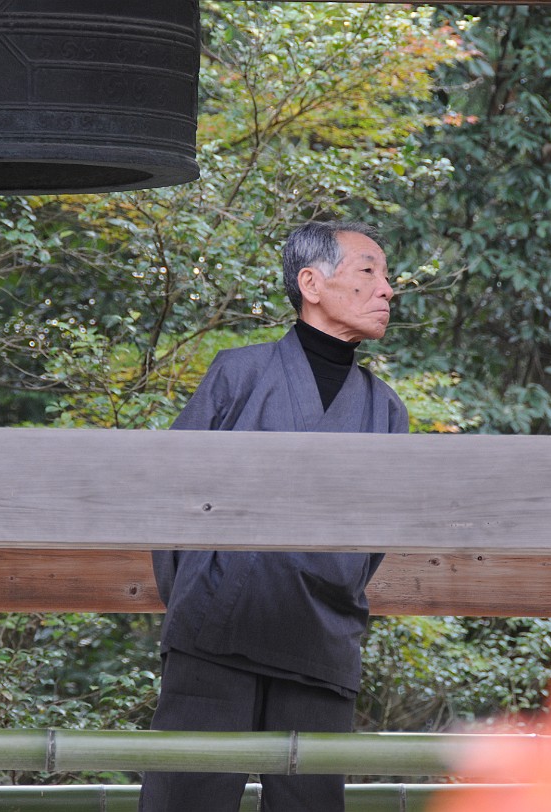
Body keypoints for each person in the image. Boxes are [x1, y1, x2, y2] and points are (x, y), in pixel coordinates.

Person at [138, 220, 409, 812]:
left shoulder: (385, 408)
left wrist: (330, 580)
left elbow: (375, 544)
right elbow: (173, 496)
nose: (388, 289)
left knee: (311, 801)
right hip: (214, 630)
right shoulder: (239, 372)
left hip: (323, 634)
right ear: (311, 283)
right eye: (370, 271)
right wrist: (201, 591)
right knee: (185, 797)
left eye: (386, 277)